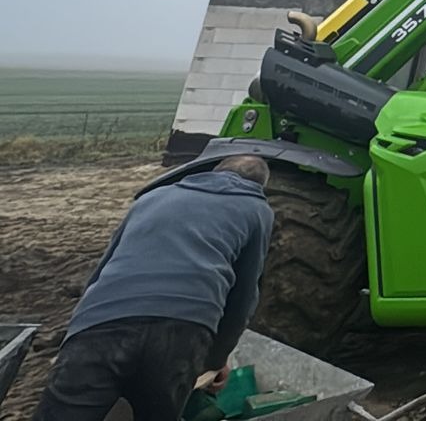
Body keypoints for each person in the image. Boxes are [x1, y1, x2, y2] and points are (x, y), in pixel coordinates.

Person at [33, 156, 274, 421]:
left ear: (213, 172)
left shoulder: (151, 197)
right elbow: (243, 297)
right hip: (182, 332)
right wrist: (216, 360)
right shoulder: (256, 209)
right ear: (259, 186)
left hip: (102, 323)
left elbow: (100, 271)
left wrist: (78, 328)